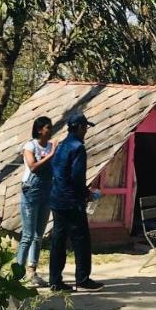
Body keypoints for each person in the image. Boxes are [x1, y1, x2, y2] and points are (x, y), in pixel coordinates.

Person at [48, 110, 105, 293]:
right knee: (81, 240)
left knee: (58, 240)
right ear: (80, 127)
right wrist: (86, 193)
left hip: (57, 198)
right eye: (86, 127)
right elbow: (77, 176)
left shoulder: (61, 146)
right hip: (72, 200)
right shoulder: (78, 147)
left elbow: (57, 172)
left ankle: (55, 281)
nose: (86, 131)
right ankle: (83, 279)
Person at [15, 115, 57, 287]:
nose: (50, 129)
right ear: (40, 129)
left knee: (38, 236)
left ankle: (32, 271)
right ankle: (17, 273)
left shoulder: (50, 145)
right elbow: (33, 166)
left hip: (47, 190)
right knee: (28, 235)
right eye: (48, 127)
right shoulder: (30, 146)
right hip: (31, 190)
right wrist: (52, 154)